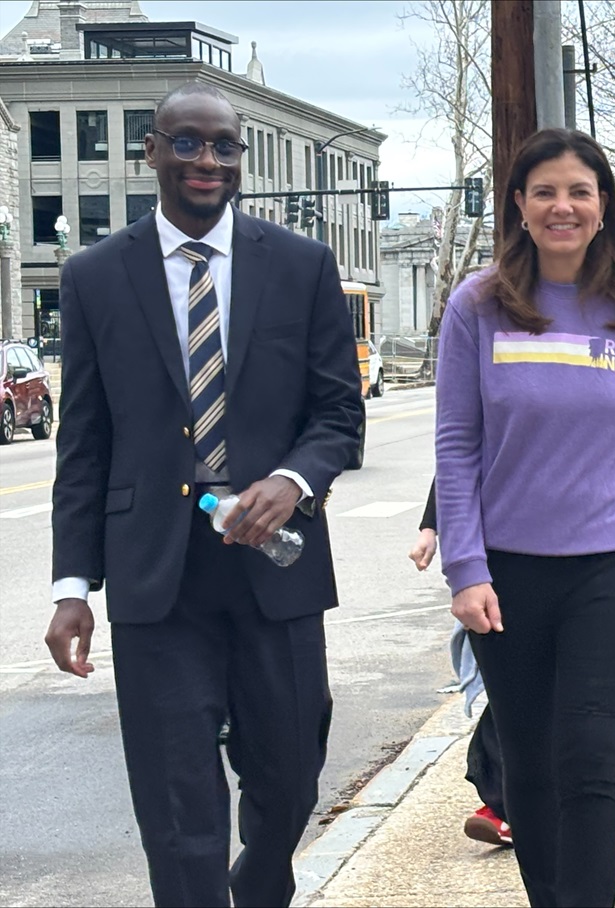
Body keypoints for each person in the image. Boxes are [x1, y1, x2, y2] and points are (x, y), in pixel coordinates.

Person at [44, 82, 363, 907]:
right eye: (186, 143)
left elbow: (337, 416)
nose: (206, 161)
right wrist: (72, 587)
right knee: (177, 804)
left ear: (240, 159)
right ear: (151, 151)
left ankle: (258, 886)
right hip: (158, 579)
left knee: (290, 782)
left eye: (223, 146)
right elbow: (83, 443)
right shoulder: (94, 276)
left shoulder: (300, 266)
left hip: (276, 570)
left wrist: (292, 483)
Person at [435, 127, 615, 907]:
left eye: (579, 191)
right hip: (506, 577)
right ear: (520, 206)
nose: (562, 206)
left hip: (610, 568)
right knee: (530, 764)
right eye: (544, 192)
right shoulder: (478, 306)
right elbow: (457, 445)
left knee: (592, 756)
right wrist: (465, 568)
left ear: (604, 206)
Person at [409, 482, 512, 848]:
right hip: (505, 551)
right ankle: (502, 807)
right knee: (512, 690)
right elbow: (458, 453)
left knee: (589, 699)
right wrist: (430, 528)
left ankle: (594, 797)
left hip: (598, 547)